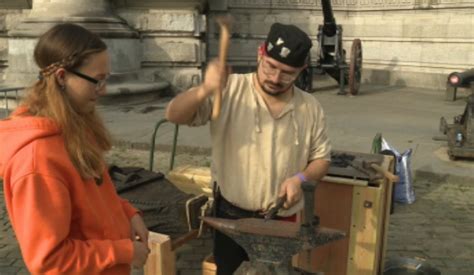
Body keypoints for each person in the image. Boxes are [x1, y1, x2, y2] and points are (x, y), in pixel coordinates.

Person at [166, 23, 332, 274]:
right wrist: (205, 89)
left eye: (288, 73)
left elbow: (321, 159)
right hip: (231, 217)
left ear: (302, 70)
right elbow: (174, 115)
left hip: (281, 221)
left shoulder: (310, 107)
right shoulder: (229, 89)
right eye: (270, 67)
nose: (276, 78)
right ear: (260, 53)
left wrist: (301, 178)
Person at [0, 23, 150, 274]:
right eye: (97, 81)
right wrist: (124, 251)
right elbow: (50, 260)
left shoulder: (73, 127)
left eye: (106, 79)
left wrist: (128, 213)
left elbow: (97, 195)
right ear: (61, 77)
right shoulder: (37, 161)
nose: (103, 90)